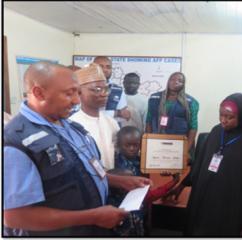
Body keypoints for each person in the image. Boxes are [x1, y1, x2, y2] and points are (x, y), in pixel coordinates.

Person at [3, 62, 151, 236]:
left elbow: (84, 169)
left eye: (77, 92)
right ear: (39, 93)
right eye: (69, 93)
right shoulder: (15, 142)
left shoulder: (69, 126)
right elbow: (15, 217)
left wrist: (118, 181)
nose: (76, 100)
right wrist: (91, 217)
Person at [184, 93, 242, 236]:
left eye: (230, 117)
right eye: (221, 115)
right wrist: (183, 184)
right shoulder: (216, 132)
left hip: (232, 208)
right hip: (204, 203)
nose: (223, 121)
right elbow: (200, 165)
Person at [111, 126, 180, 236]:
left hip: (140, 215)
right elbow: (146, 197)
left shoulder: (143, 163)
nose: (132, 149)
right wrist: (172, 183)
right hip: (123, 221)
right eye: (127, 145)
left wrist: (172, 177)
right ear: (119, 145)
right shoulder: (115, 166)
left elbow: (146, 196)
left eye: (135, 145)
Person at [70, 63, 119, 170]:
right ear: (79, 92)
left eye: (106, 89)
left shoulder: (111, 122)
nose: (104, 94)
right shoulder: (72, 125)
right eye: (97, 90)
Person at [146, 72, 199, 158]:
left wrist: (186, 150)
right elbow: (148, 121)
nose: (176, 82)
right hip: (156, 143)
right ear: (168, 81)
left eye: (180, 81)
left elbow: (193, 127)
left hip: (179, 144)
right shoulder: (154, 98)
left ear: (183, 84)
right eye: (173, 79)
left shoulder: (191, 102)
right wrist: (148, 144)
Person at [93, 56, 130, 122]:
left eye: (108, 67)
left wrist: (118, 114)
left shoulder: (118, 89)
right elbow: (87, 114)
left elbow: (123, 116)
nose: (105, 70)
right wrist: (117, 113)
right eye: (101, 66)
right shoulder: (85, 87)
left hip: (112, 130)